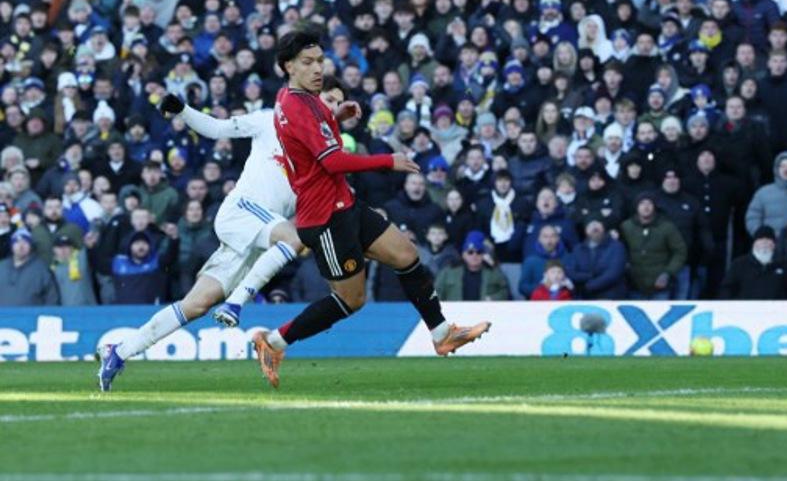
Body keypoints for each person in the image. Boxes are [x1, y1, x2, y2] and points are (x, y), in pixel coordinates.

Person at [252, 30, 489, 388]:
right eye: (307, 62)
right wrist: (387, 160)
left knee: (406, 254)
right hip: (325, 218)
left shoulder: (299, 97)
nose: (317, 69)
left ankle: (442, 334)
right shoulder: (296, 107)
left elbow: (315, 135)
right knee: (351, 300)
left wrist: (335, 116)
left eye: (320, 61)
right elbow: (332, 161)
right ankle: (273, 341)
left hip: (345, 205)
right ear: (288, 66)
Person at [97, 95, 305, 391]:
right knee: (292, 238)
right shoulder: (268, 119)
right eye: (328, 99)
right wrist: (183, 110)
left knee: (195, 305)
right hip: (244, 211)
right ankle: (234, 304)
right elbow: (218, 128)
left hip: (259, 236)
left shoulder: (317, 150)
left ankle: (118, 352)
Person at [620, 193, 687, 300]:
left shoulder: (667, 227)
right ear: (636, 207)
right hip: (634, 285)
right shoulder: (626, 226)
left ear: (654, 206)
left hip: (660, 286)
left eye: (649, 203)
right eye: (642, 203)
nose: (646, 207)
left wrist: (668, 273)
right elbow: (620, 250)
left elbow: (680, 251)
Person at [718, 227, 787, 299]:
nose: (764, 242)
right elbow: (727, 290)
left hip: (777, 311)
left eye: (768, 239)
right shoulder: (739, 264)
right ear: (754, 243)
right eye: (760, 239)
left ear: (774, 244)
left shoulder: (786, 265)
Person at [433, 231, 510, 301]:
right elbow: (436, 293)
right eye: (470, 252)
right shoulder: (448, 273)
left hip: (484, 311)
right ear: (463, 255)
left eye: (479, 252)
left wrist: (492, 299)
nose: (474, 255)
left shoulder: (494, 272)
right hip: (455, 311)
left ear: (483, 255)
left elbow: (505, 292)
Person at [564, 219, 628, 299]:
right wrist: (589, 276)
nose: (594, 228)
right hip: (585, 297)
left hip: (611, 295)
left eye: (597, 225)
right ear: (585, 230)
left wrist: (589, 286)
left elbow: (613, 273)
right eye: (591, 226)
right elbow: (571, 272)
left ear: (603, 228)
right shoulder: (578, 249)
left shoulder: (616, 246)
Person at [0, 229, 58, 306]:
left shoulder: (41, 269)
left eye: (25, 242)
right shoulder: (2, 266)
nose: (21, 246)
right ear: (11, 246)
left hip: (32, 313)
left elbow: (51, 298)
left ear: (30, 246)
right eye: (17, 242)